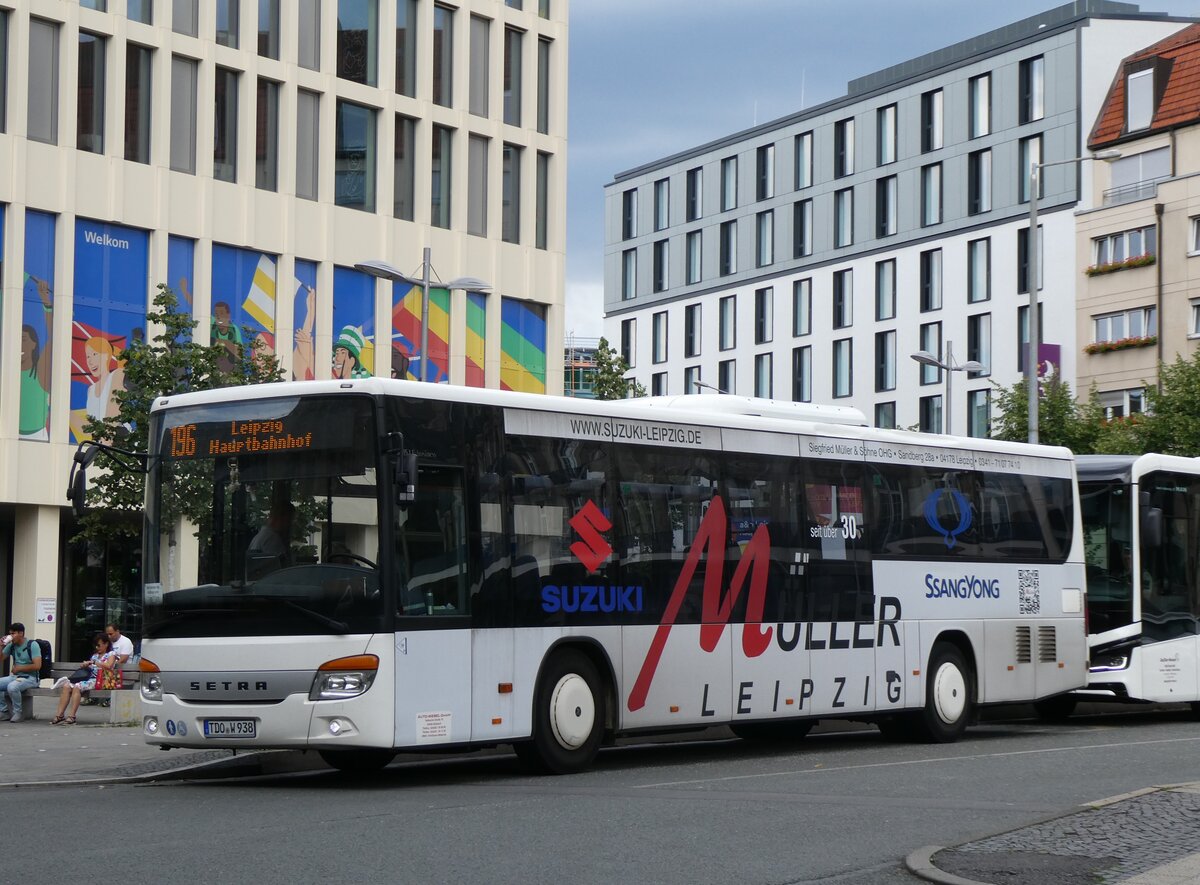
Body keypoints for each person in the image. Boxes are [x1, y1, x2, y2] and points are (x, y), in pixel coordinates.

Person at [50, 634, 117, 726]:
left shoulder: (111, 654)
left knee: (77, 686)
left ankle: (72, 716)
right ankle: (59, 715)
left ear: (106, 644)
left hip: (103, 680)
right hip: (90, 679)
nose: (97, 647)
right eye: (96, 645)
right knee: (66, 686)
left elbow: (109, 666)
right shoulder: (95, 656)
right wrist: (86, 665)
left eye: (99, 645)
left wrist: (94, 662)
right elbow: (91, 668)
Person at [0, 623, 43, 723]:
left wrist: (19, 668)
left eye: (13, 634)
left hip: (31, 678)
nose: (10, 636)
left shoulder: (32, 645)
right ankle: (4, 711)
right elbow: (1, 658)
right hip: (16, 677)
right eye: (10, 634)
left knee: (12, 687)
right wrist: (1, 646)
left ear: (21, 633)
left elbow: (37, 666)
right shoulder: (12, 645)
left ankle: (18, 713)